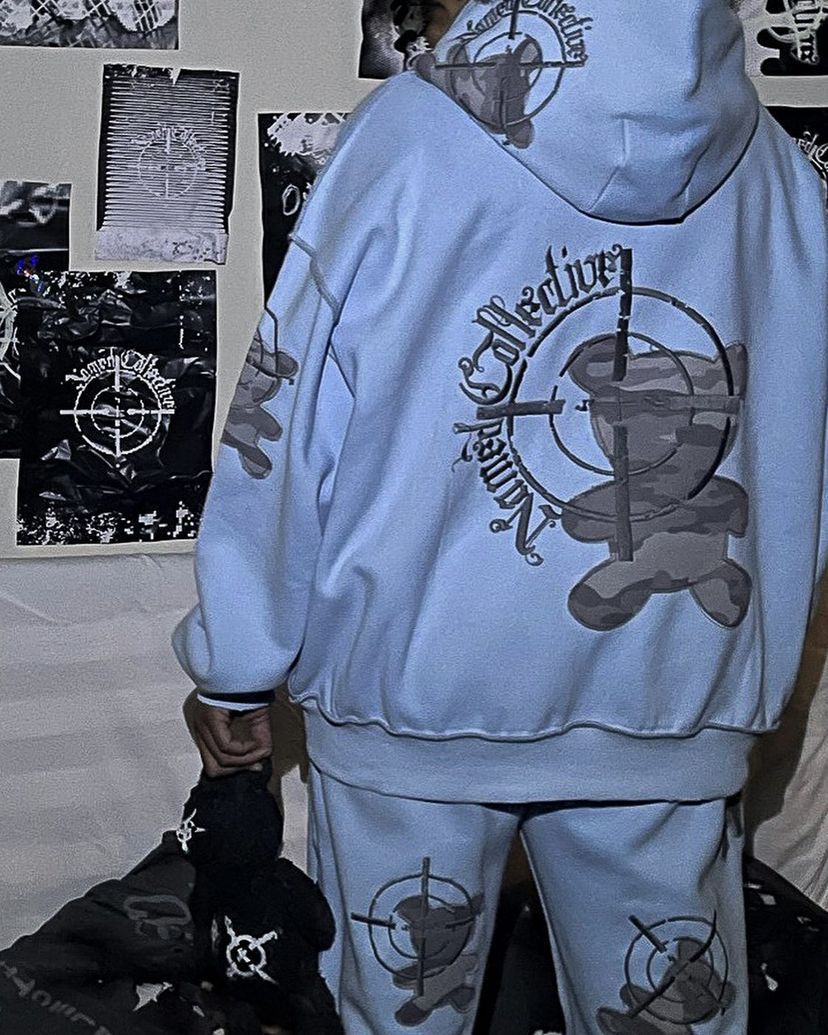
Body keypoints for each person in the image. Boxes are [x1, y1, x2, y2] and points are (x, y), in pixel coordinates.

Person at [172, 1, 828, 1032]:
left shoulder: (408, 134)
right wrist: (752, 672)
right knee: (674, 1012)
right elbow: (801, 442)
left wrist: (237, 656)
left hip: (411, 687)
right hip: (667, 691)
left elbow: (285, 411)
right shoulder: (775, 171)